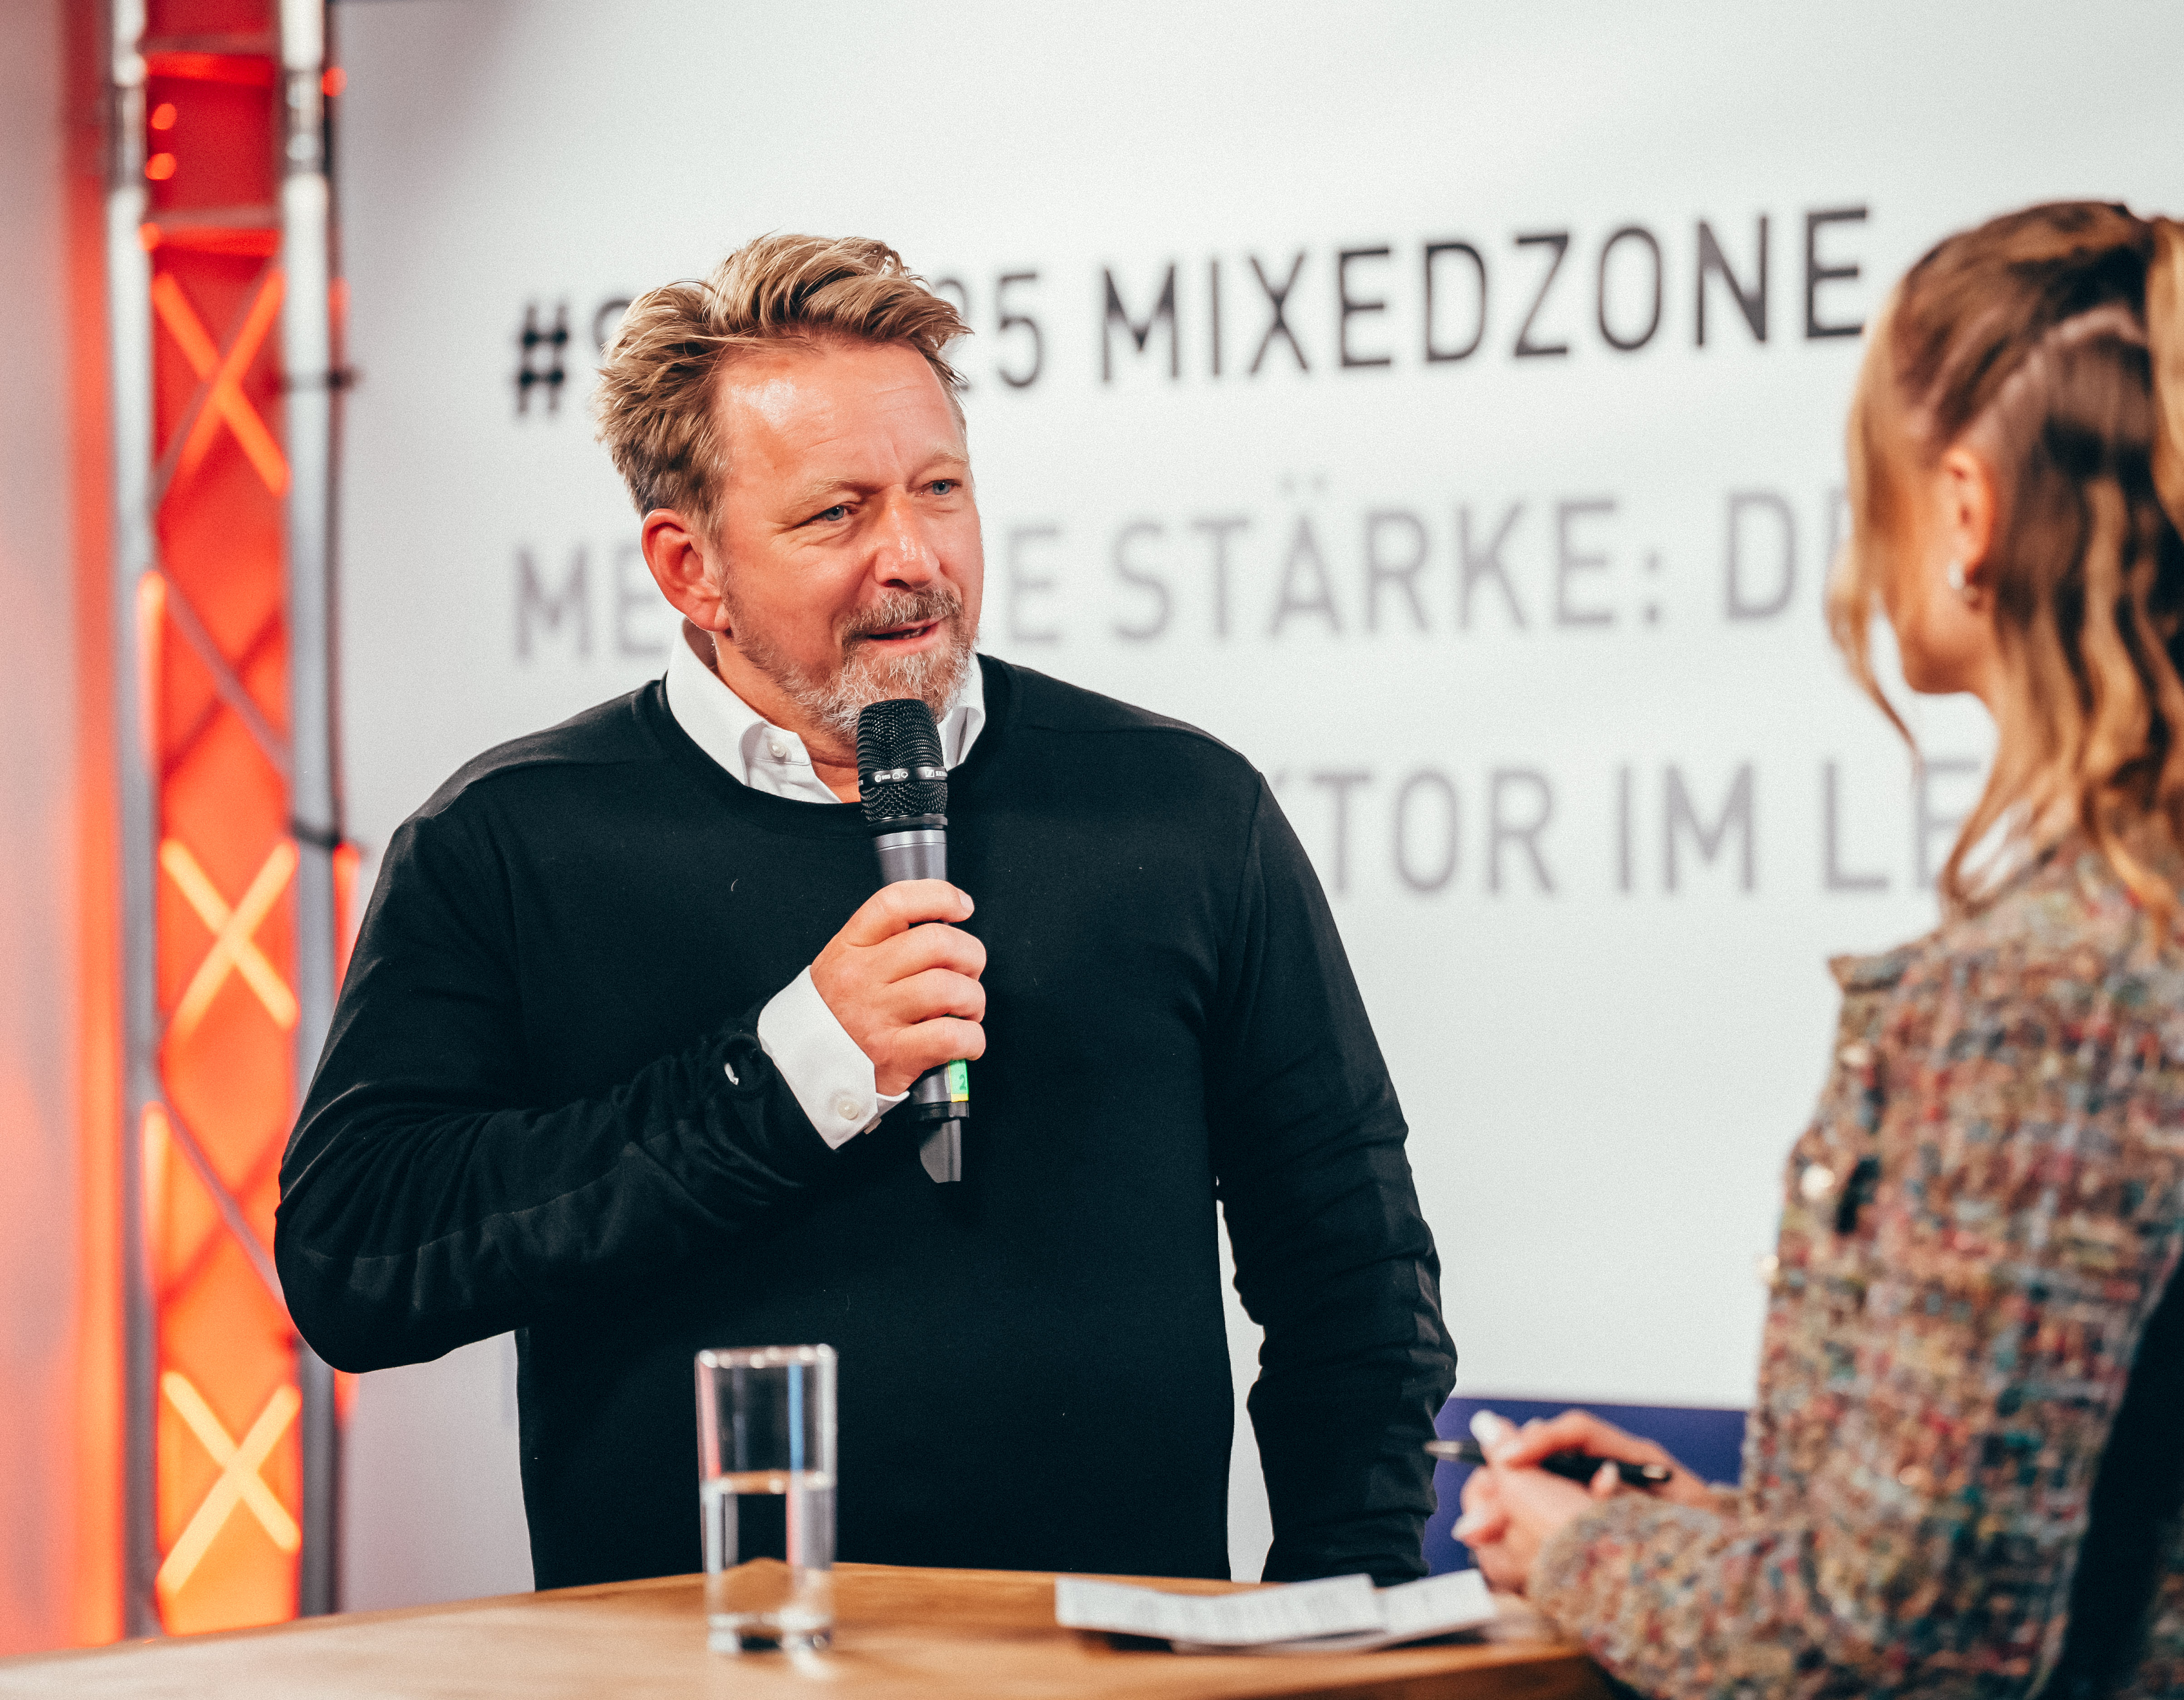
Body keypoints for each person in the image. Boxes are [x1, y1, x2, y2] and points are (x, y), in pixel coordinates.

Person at [275, 234, 1454, 1588]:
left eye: (940, 490)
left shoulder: (1179, 808)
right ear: (689, 567)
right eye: (837, 514)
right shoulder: (509, 841)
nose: (914, 557)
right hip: (695, 1671)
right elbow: (356, 1256)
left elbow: (1354, 1268)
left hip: (1109, 1665)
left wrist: (1342, 1611)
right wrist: (785, 1077)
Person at [1454, 203, 2184, 1697]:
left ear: (1965, 509)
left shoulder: (2050, 988)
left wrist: (1583, 1551)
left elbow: (1894, 1649)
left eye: (1867, 485)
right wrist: (1714, 1537)